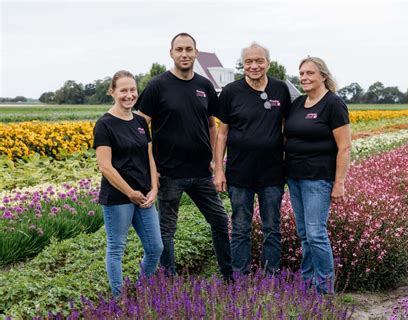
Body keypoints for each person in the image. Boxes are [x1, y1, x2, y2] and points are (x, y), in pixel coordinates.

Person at [135, 33, 233, 280]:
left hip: (201, 172)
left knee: (220, 222)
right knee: (167, 231)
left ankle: (230, 276)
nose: (184, 54)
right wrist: (150, 166)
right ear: (171, 53)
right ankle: (169, 280)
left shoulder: (204, 86)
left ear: (196, 53)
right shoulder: (158, 86)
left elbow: (212, 125)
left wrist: (212, 157)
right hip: (169, 173)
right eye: (179, 49)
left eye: (189, 49)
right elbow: (139, 127)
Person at [214, 42, 291, 275]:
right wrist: (218, 169)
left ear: (268, 63)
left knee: (272, 228)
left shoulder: (280, 89)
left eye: (259, 61)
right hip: (239, 173)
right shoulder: (230, 92)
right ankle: (240, 276)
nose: (254, 66)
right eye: (249, 62)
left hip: (272, 173)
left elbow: (287, 128)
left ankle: (272, 275)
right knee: (239, 228)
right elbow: (222, 133)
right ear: (243, 64)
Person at [284, 57, 351, 294]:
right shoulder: (298, 103)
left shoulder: (333, 104)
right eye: (301, 73)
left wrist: (339, 183)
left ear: (323, 76)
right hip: (294, 177)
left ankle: (324, 289)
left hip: (318, 178)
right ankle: (307, 284)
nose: (304, 77)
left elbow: (344, 147)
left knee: (316, 233)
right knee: (305, 235)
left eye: (310, 73)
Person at [93, 70, 163, 297]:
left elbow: (150, 156)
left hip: (144, 196)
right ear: (112, 92)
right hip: (118, 198)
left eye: (132, 90)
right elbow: (105, 166)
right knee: (116, 249)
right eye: (123, 90)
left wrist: (153, 188)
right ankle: (119, 299)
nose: (129, 95)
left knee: (155, 248)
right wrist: (129, 192)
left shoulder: (141, 121)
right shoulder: (104, 125)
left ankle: (141, 291)